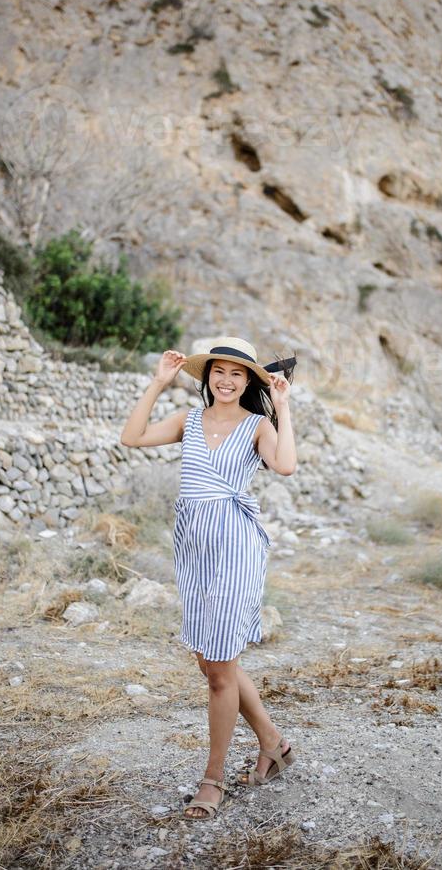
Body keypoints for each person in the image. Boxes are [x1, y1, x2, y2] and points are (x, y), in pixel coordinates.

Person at [120, 336, 298, 820]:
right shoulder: (189, 421)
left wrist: (282, 406)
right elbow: (131, 437)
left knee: (220, 670)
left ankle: (212, 780)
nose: (226, 380)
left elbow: (285, 464)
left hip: (235, 546)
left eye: (238, 374)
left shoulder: (258, 425)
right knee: (211, 663)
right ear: (207, 376)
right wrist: (158, 383)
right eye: (219, 371)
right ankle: (273, 743)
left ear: (249, 382)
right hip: (194, 548)